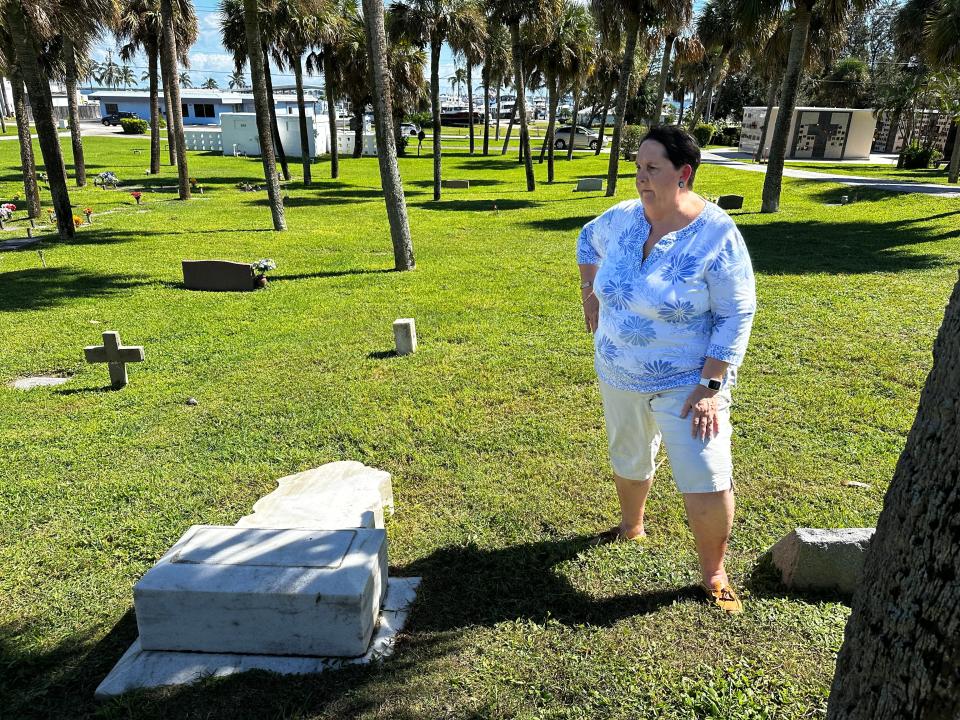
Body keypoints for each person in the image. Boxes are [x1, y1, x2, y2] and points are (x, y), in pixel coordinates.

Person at [575, 125, 756, 614]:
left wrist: (710, 386)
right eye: (638, 168)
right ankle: (631, 524)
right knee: (628, 453)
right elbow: (586, 241)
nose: (641, 179)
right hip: (618, 370)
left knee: (707, 473)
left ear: (684, 174)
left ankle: (714, 574)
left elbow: (736, 312)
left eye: (652, 169)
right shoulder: (624, 219)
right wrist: (589, 294)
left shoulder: (716, 233)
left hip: (689, 382)